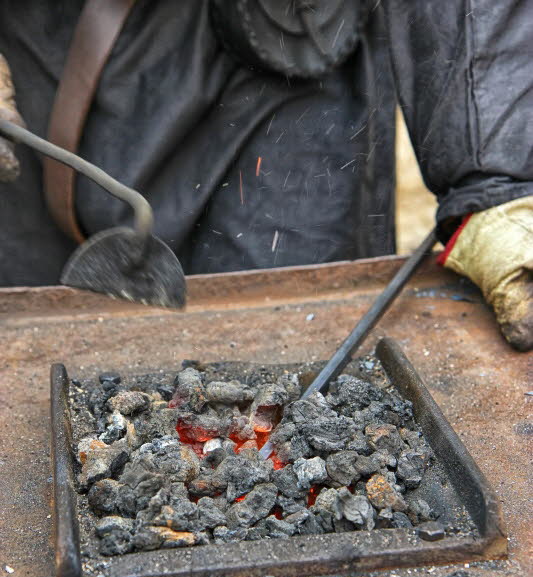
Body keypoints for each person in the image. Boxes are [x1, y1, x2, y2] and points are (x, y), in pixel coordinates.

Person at [0, 0, 531, 350]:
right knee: (52, 347)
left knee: (290, 342)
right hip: (51, 51)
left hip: (296, 49)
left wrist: (494, 177)